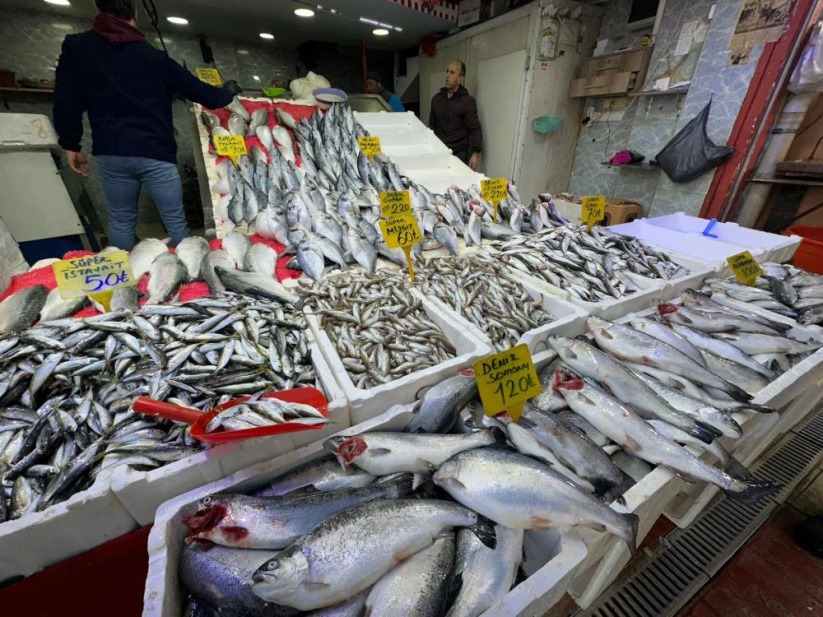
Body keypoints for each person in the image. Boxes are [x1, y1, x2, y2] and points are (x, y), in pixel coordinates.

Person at [53, 0, 240, 251]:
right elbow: (203, 93)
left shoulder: (78, 48)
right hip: (156, 152)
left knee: (120, 221)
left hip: (112, 151)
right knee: (175, 222)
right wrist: (228, 92)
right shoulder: (154, 57)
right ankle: (188, 279)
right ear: (135, 14)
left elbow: (66, 99)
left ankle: (126, 286)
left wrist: (70, 143)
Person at [428, 60, 483, 171]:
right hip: (440, 152)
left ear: (461, 78)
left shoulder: (467, 101)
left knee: (456, 185)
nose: (447, 76)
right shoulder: (437, 99)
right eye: (447, 71)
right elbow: (431, 126)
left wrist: (475, 153)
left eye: (452, 73)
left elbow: (475, 129)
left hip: (459, 154)